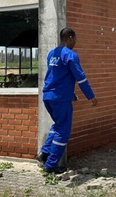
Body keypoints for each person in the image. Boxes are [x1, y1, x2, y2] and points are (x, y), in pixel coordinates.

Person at [36, 27, 98, 174]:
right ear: (70, 38)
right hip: (60, 98)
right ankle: (51, 165)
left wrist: (71, 94)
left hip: (48, 96)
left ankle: (44, 153)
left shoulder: (52, 54)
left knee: (58, 125)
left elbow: (58, 77)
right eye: (75, 39)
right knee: (63, 130)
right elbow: (80, 78)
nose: (75, 42)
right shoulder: (70, 55)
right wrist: (91, 96)